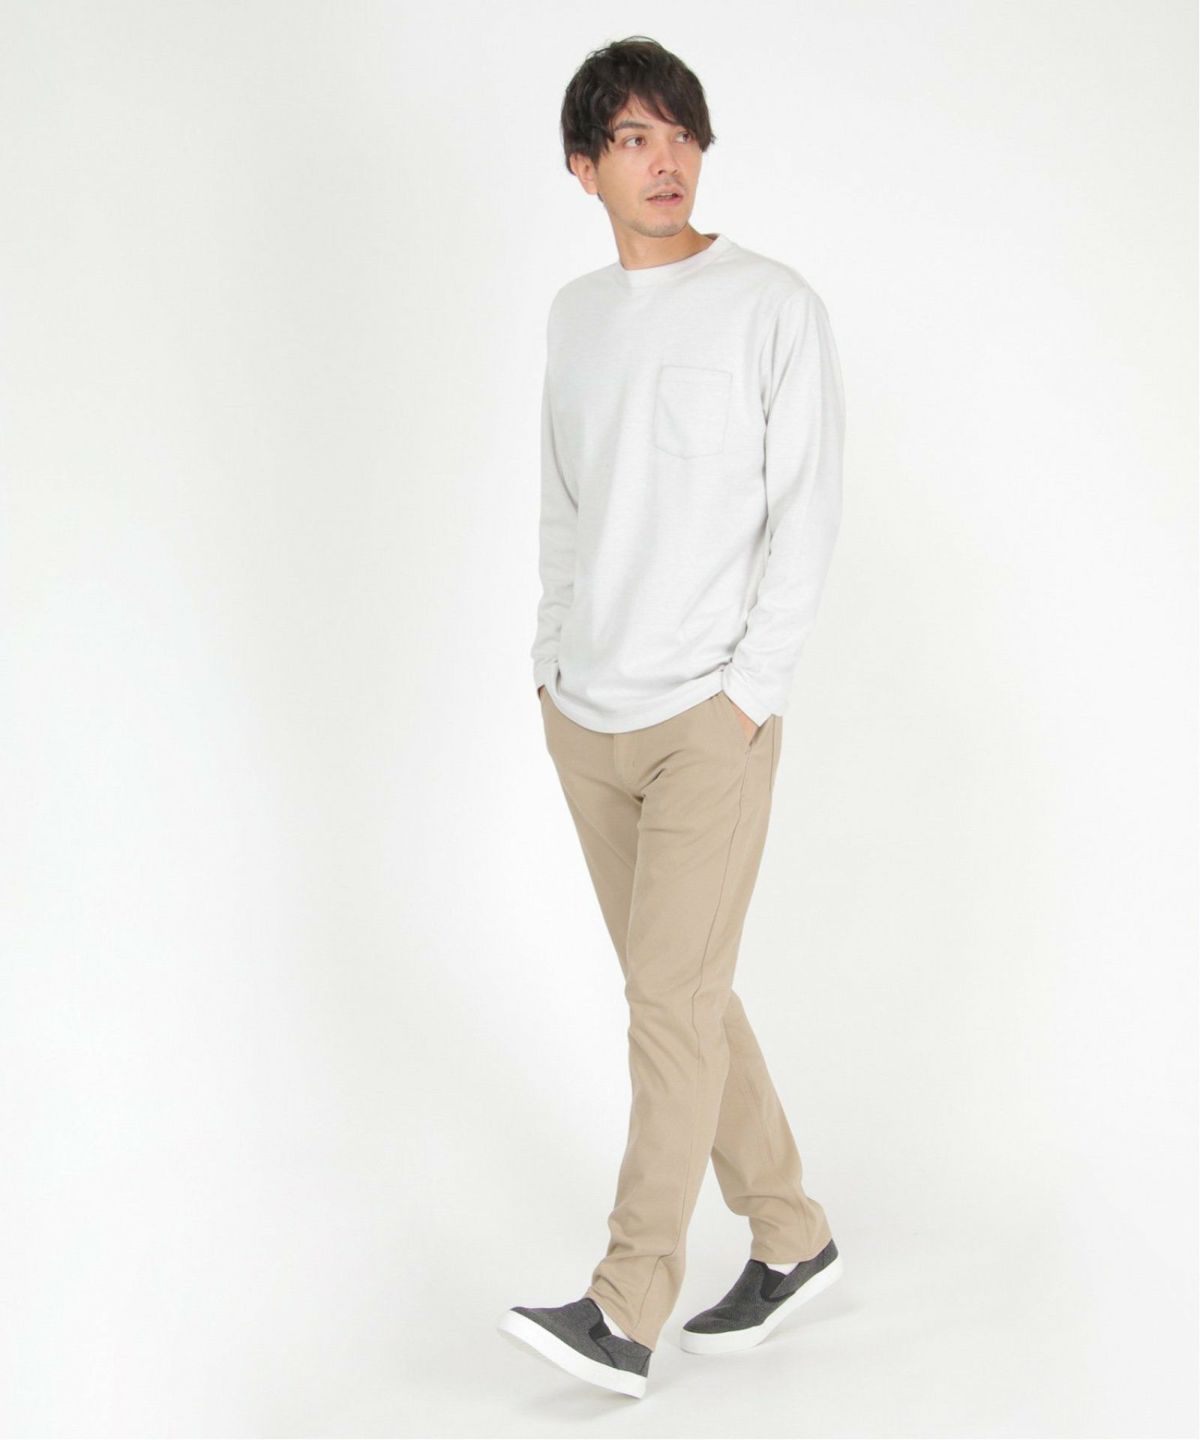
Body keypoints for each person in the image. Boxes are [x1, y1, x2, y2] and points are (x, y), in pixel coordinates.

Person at [497, 35, 846, 1399]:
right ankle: (793, 1233)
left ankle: (625, 1301)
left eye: (681, 133)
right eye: (634, 138)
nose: (666, 160)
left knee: (666, 1001)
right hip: (587, 716)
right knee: (685, 998)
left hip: (710, 719)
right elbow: (564, 499)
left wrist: (749, 697)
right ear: (583, 166)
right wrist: (550, 664)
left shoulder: (770, 305)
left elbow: (805, 514)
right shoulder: (577, 317)